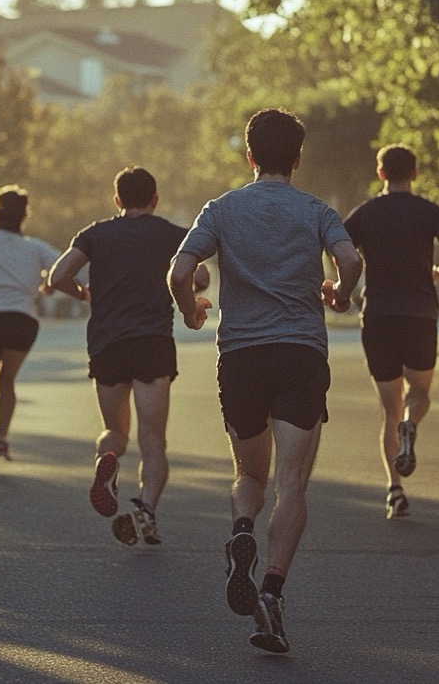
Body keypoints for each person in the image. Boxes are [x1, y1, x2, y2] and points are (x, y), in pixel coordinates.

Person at [168, 107, 363, 654]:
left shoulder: (222, 210)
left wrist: (189, 312)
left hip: (242, 357)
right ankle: (272, 592)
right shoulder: (316, 211)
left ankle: (241, 532)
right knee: (292, 484)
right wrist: (341, 295)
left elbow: (179, 272)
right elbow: (351, 260)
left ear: (249, 156)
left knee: (248, 475)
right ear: (298, 158)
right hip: (301, 352)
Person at [48, 166, 208, 547]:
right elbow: (198, 278)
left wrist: (83, 293)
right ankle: (147, 509)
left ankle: (108, 460)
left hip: (107, 343)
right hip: (152, 342)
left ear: (116, 200)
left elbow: (56, 277)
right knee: (153, 441)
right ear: (155, 200)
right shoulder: (172, 234)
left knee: (116, 432)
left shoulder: (95, 234)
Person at [343, 144, 439, 519]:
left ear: (380, 174)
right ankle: (411, 426)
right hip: (420, 315)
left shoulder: (365, 213)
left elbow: (341, 251)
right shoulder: (429, 211)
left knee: (388, 409)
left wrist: (344, 287)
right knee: (419, 394)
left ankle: (395, 490)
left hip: (378, 316)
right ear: (413, 174)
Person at [0, 185, 61, 465]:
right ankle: (3, 441)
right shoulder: (36, 247)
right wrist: (49, 286)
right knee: (6, 382)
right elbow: (62, 267)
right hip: (22, 321)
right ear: (23, 216)